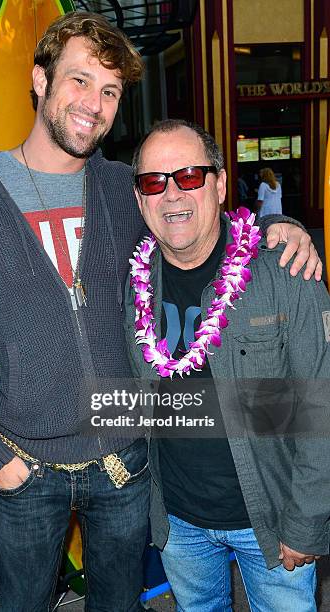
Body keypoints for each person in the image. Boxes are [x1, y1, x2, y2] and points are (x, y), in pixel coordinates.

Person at [0, 10, 322, 612]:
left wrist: (281, 226)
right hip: (24, 468)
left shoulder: (124, 189)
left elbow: (200, 217)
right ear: (38, 80)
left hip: (126, 467)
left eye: (110, 90)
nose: (95, 103)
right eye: (80, 80)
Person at [122, 119, 330, 611]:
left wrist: (307, 522)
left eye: (189, 176)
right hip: (179, 523)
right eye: (154, 181)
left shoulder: (283, 270)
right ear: (140, 200)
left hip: (274, 517)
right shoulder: (130, 283)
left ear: (218, 184)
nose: (172, 194)